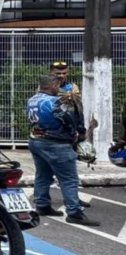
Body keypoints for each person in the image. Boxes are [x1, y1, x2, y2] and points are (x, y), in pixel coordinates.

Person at [26, 74, 100, 226]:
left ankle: (42, 205)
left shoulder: (32, 100)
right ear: (53, 86)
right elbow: (66, 119)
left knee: (43, 174)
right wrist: (74, 132)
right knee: (69, 179)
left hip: (36, 141)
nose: (59, 89)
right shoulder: (54, 102)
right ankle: (74, 212)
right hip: (55, 143)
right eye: (57, 86)